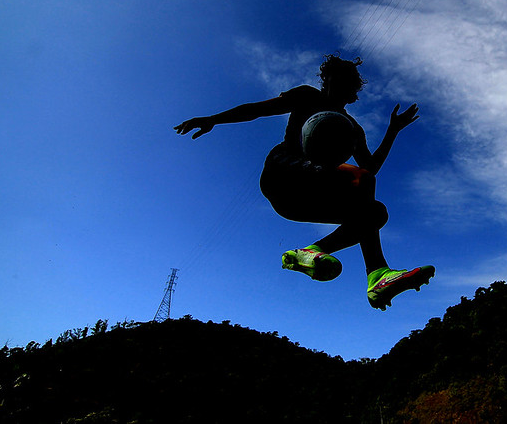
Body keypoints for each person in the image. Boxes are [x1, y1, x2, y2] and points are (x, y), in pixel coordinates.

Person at [174, 54, 434, 310]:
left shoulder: (352, 128)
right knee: (359, 179)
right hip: (283, 174)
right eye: (336, 79)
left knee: (374, 213)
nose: (340, 87)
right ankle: (371, 268)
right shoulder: (307, 96)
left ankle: (370, 274)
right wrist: (213, 119)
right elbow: (258, 110)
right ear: (326, 80)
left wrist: (392, 131)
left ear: (353, 91)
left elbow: (370, 168)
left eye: (348, 83)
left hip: (305, 200)